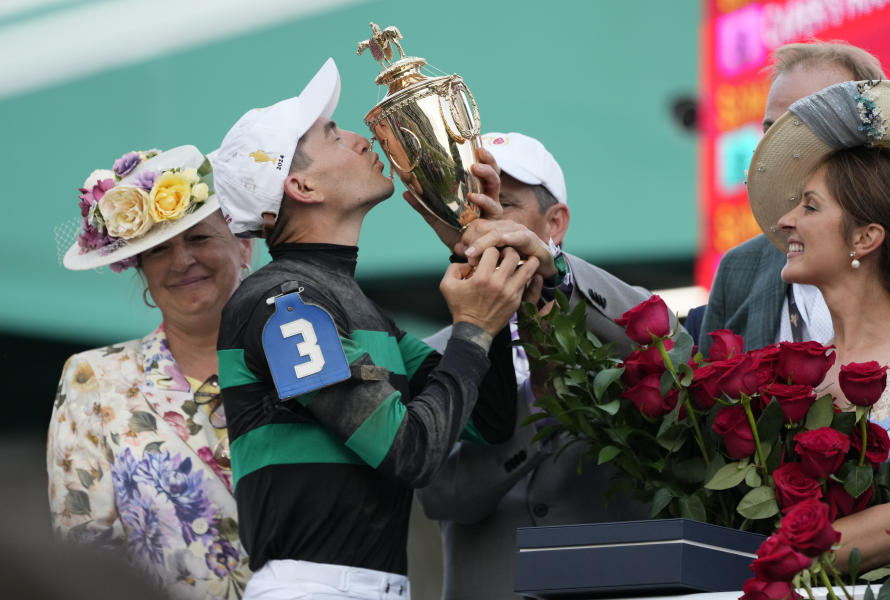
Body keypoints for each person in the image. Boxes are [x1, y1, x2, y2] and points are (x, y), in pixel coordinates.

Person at [210, 59, 539, 600]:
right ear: (301, 185)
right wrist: (474, 327)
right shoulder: (280, 303)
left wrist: (472, 246)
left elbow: (490, 420)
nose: (363, 140)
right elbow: (410, 454)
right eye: (333, 134)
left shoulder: (356, 307)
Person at [416, 132, 654, 600]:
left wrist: (556, 273)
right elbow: (443, 496)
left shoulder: (619, 323)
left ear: (555, 223)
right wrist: (542, 405)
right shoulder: (435, 353)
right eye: (472, 206)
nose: (486, 221)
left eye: (503, 203)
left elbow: (676, 353)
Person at [749, 79, 890, 572]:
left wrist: (769, 559)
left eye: (809, 205)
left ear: (865, 237)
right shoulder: (805, 371)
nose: (785, 220)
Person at [48, 145, 254, 599]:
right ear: (140, 271)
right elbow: (85, 553)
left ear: (244, 246)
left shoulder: (297, 357)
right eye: (159, 250)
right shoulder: (94, 380)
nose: (181, 261)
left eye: (199, 238)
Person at [700, 42, 886, 355]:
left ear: (857, 141)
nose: (776, 146)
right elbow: (705, 399)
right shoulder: (739, 268)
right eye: (770, 129)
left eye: (798, 126)